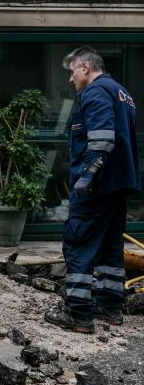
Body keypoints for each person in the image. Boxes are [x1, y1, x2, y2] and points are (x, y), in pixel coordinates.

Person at [45, 46, 140, 334]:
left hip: (97, 188)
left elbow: (101, 140)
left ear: (85, 66)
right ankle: (110, 307)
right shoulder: (122, 93)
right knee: (111, 246)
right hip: (118, 185)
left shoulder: (96, 92)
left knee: (78, 242)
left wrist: (86, 177)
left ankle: (79, 313)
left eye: (73, 71)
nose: (71, 79)